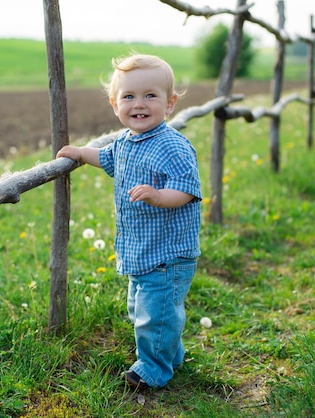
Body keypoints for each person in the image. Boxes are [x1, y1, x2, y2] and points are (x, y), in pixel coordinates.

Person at [56, 53, 202, 389]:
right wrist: (80, 153)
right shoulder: (124, 143)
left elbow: (186, 190)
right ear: (114, 104)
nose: (139, 104)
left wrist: (157, 196)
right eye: (129, 96)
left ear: (169, 104)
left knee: (155, 314)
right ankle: (171, 353)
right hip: (141, 251)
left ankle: (153, 369)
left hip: (168, 254)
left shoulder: (173, 147)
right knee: (143, 309)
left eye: (151, 95)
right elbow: (105, 158)